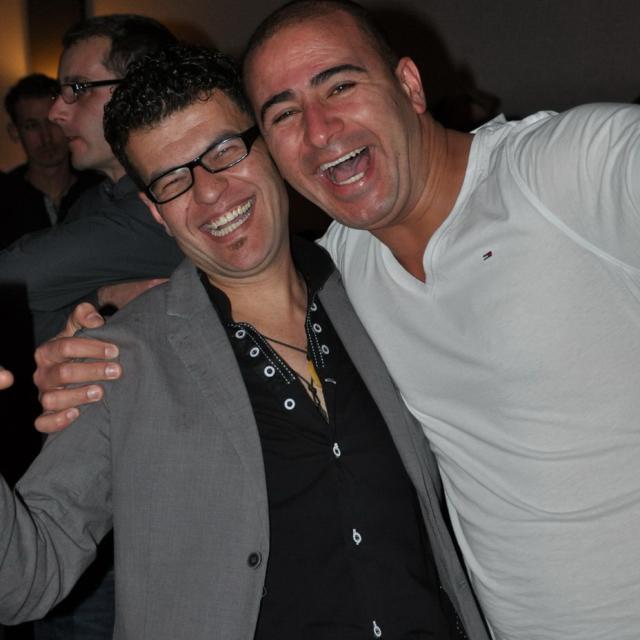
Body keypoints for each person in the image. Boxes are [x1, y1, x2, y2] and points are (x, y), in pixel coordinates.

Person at [37, 2, 640, 639]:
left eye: (340, 86)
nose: (320, 130)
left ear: (409, 85)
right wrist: (105, 324)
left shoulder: (569, 167)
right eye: (284, 114)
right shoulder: (348, 264)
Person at [0, 44, 488, 640]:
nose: (209, 192)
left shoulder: (378, 286)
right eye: (172, 180)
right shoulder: (120, 358)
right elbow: (24, 581)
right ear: (154, 211)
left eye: (224, 151)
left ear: (268, 146)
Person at [0, 15, 182, 346]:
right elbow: (27, 330)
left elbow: (12, 276)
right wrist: (102, 297)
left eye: (79, 89)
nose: (56, 113)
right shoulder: (93, 200)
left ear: (142, 91)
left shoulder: (173, 200)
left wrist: (90, 301)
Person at [2, 73, 101, 248]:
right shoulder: (5, 198)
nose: (46, 137)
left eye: (52, 122)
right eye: (32, 126)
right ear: (15, 132)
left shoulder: (100, 190)